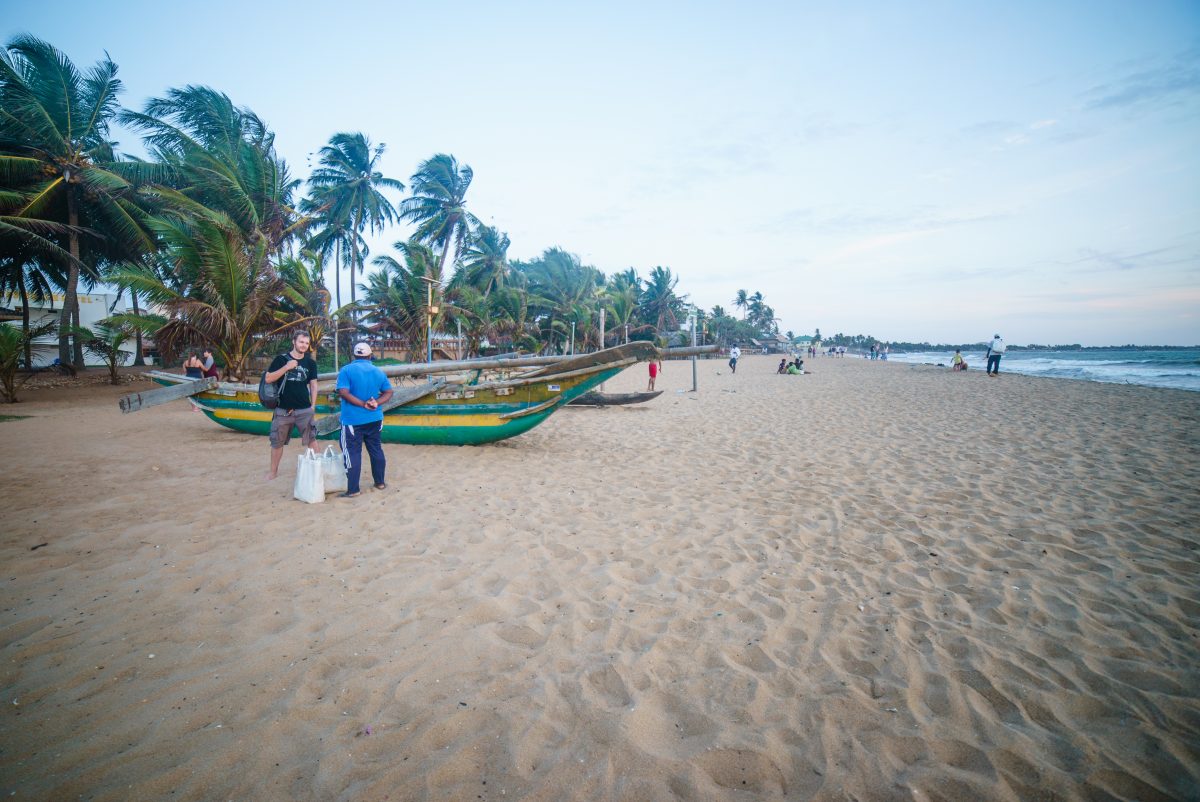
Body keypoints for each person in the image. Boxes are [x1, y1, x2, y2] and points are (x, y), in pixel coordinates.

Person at [336, 341, 394, 498]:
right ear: (370, 355)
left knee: (352, 452)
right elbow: (388, 392)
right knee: (375, 449)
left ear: (354, 355)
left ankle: (353, 489)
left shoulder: (346, 370)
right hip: (375, 418)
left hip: (352, 420)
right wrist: (376, 402)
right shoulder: (378, 371)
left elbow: (343, 392)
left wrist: (362, 404)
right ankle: (380, 482)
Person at [265, 331, 319, 481]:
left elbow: (314, 386)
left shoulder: (310, 363)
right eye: (301, 342)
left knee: (312, 440)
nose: (304, 346)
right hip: (283, 410)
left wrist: (313, 406)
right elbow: (268, 379)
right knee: (277, 442)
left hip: (304, 409)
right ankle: (273, 472)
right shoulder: (281, 359)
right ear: (294, 342)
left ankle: (319, 469)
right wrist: (287, 367)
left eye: (307, 343)